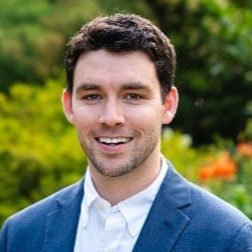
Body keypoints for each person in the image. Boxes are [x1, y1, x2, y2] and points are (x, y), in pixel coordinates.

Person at [0, 13, 252, 252]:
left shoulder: (227, 238)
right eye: (93, 96)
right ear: (69, 105)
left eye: (133, 96)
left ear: (168, 104)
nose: (111, 117)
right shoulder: (20, 235)